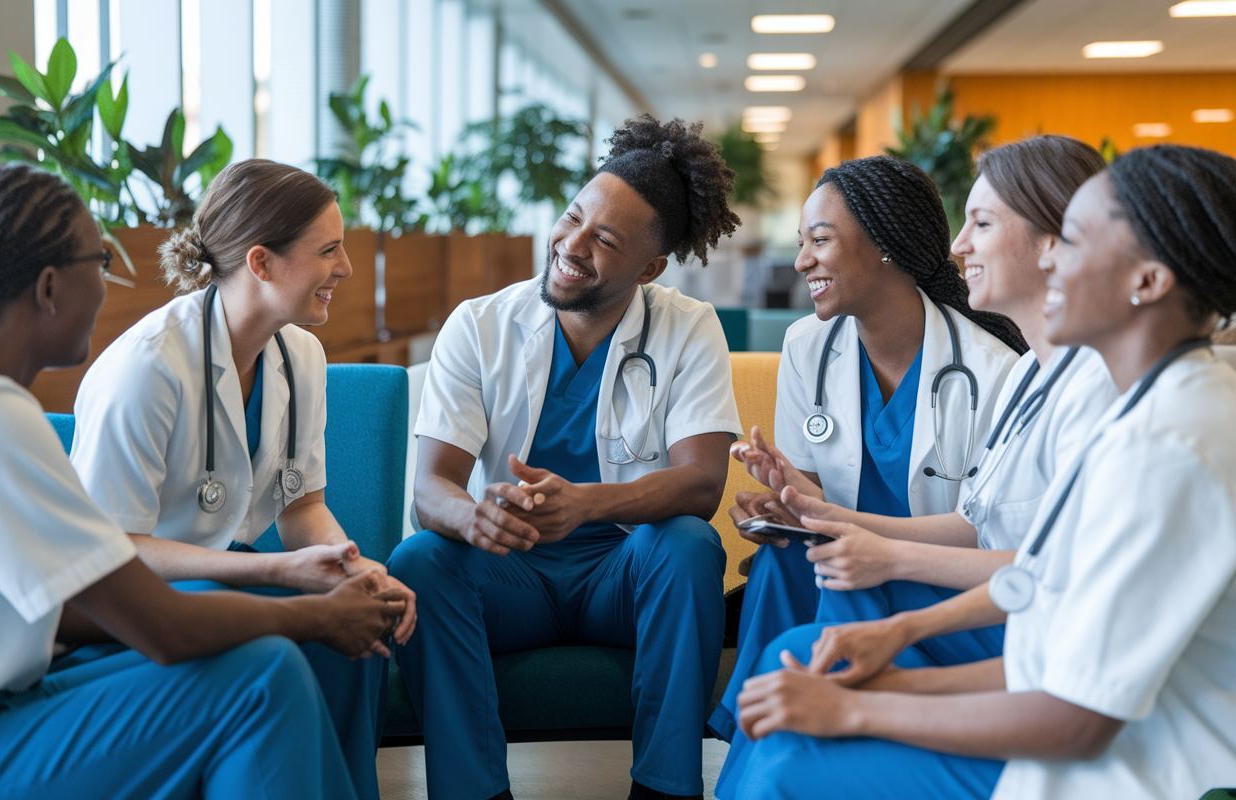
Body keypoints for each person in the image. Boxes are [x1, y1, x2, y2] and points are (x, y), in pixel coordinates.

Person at [728, 144, 1236, 800]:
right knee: (805, 692)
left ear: (1148, 282)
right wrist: (892, 648)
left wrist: (856, 706)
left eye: (1070, 241)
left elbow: (1076, 716)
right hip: (1068, 705)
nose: (1050, 260)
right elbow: (1043, 589)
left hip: (1132, 769)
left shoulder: (1165, 445)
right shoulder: (1151, 407)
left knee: (793, 762)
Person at [0, 163, 407, 799]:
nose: (112, 283)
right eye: (102, 260)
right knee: (265, 675)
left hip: (17, 685)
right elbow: (155, 623)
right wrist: (307, 604)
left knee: (301, 645)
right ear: (51, 286)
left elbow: (60, 604)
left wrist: (338, 574)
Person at [385, 115, 744, 800]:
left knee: (689, 546)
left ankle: (666, 788)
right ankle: (474, 792)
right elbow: (430, 490)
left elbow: (702, 483)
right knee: (419, 559)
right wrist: (473, 521)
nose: (571, 246)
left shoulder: (688, 326)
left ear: (649, 268)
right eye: (573, 218)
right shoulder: (480, 324)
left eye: (603, 240)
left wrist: (585, 504)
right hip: (509, 570)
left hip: (621, 571)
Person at [710, 155, 1025, 744]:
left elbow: (990, 534)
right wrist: (785, 499)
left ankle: (793, 737)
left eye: (820, 240)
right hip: (844, 557)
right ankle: (761, 740)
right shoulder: (807, 345)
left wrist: (846, 531)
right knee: (782, 556)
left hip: (939, 580)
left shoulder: (992, 371)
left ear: (886, 244)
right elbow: (819, 499)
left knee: (828, 570)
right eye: (802, 241)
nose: (801, 260)